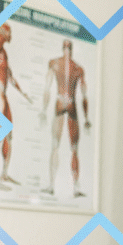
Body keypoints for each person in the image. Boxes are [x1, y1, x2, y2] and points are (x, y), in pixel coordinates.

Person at [0, 23, 32, 190]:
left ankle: (4, 173)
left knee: (8, 134)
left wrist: (23, 92)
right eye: (8, 33)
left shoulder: (3, 52)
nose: (10, 36)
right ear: (2, 32)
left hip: (2, 91)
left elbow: (9, 75)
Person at [39, 39, 91, 197]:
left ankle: (55, 185)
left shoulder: (56, 63)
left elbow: (47, 88)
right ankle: (67, 186)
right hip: (70, 105)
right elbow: (84, 96)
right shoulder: (77, 68)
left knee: (61, 147)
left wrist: (43, 109)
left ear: (63, 48)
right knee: (71, 149)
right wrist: (87, 118)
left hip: (61, 103)